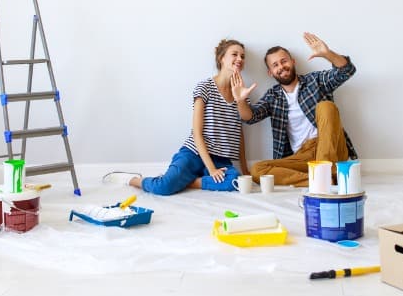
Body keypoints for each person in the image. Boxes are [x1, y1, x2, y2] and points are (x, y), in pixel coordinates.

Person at [104, 39, 249, 195]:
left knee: (235, 182)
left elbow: (239, 132)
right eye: (235, 54)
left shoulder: (240, 93)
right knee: (163, 187)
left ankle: (185, 181)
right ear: (222, 58)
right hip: (194, 153)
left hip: (221, 158)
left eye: (242, 56)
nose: (240, 59)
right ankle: (133, 179)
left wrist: (245, 169)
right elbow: (197, 133)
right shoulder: (205, 87)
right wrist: (211, 170)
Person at [231, 32, 357, 186]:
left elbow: (347, 70)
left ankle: (324, 173)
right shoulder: (273, 96)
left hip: (332, 146)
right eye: (275, 65)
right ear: (270, 73)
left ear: (293, 61)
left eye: (284, 61)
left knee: (326, 106)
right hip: (303, 156)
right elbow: (249, 117)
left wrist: (327, 54)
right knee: (258, 170)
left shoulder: (315, 80)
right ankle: (321, 180)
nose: (281, 67)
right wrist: (240, 100)